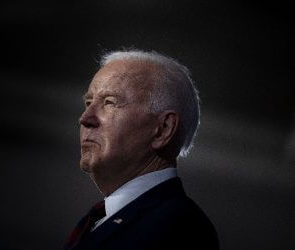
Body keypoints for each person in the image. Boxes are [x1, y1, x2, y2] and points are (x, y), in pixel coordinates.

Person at [62, 50, 219, 250]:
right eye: (88, 103)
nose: (85, 118)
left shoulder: (179, 227)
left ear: (163, 129)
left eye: (109, 102)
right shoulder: (97, 220)